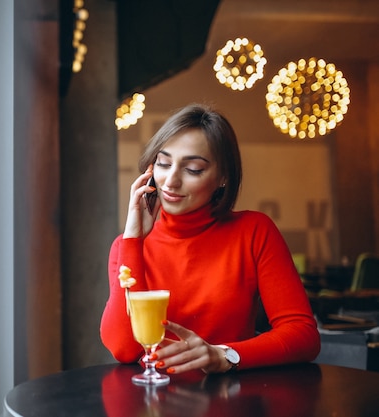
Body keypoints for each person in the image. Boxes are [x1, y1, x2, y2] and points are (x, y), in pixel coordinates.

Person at [100, 103, 320, 374]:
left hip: (231, 398)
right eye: (164, 163)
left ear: (223, 178)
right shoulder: (127, 246)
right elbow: (123, 349)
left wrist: (224, 354)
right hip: (152, 402)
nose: (170, 181)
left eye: (193, 169)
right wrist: (133, 239)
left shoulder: (253, 231)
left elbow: (303, 335)